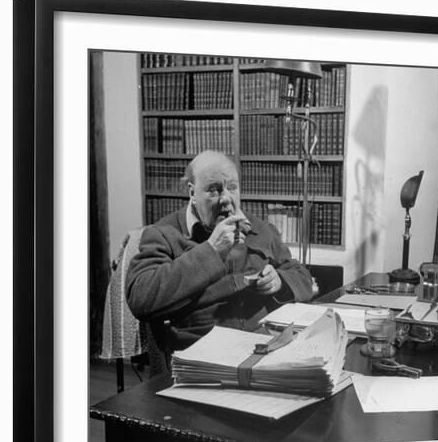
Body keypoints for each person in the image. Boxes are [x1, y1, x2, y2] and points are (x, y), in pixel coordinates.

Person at [126, 150, 314, 350]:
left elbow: (303, 279)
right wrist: (211, 250)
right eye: (213, 190)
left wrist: (280, 281)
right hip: (199, 352)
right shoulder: (163, 234)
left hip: (262, 346)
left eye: (232, 187)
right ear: (192, 193)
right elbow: (141, 299)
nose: (225, 198)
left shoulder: (260, 228)